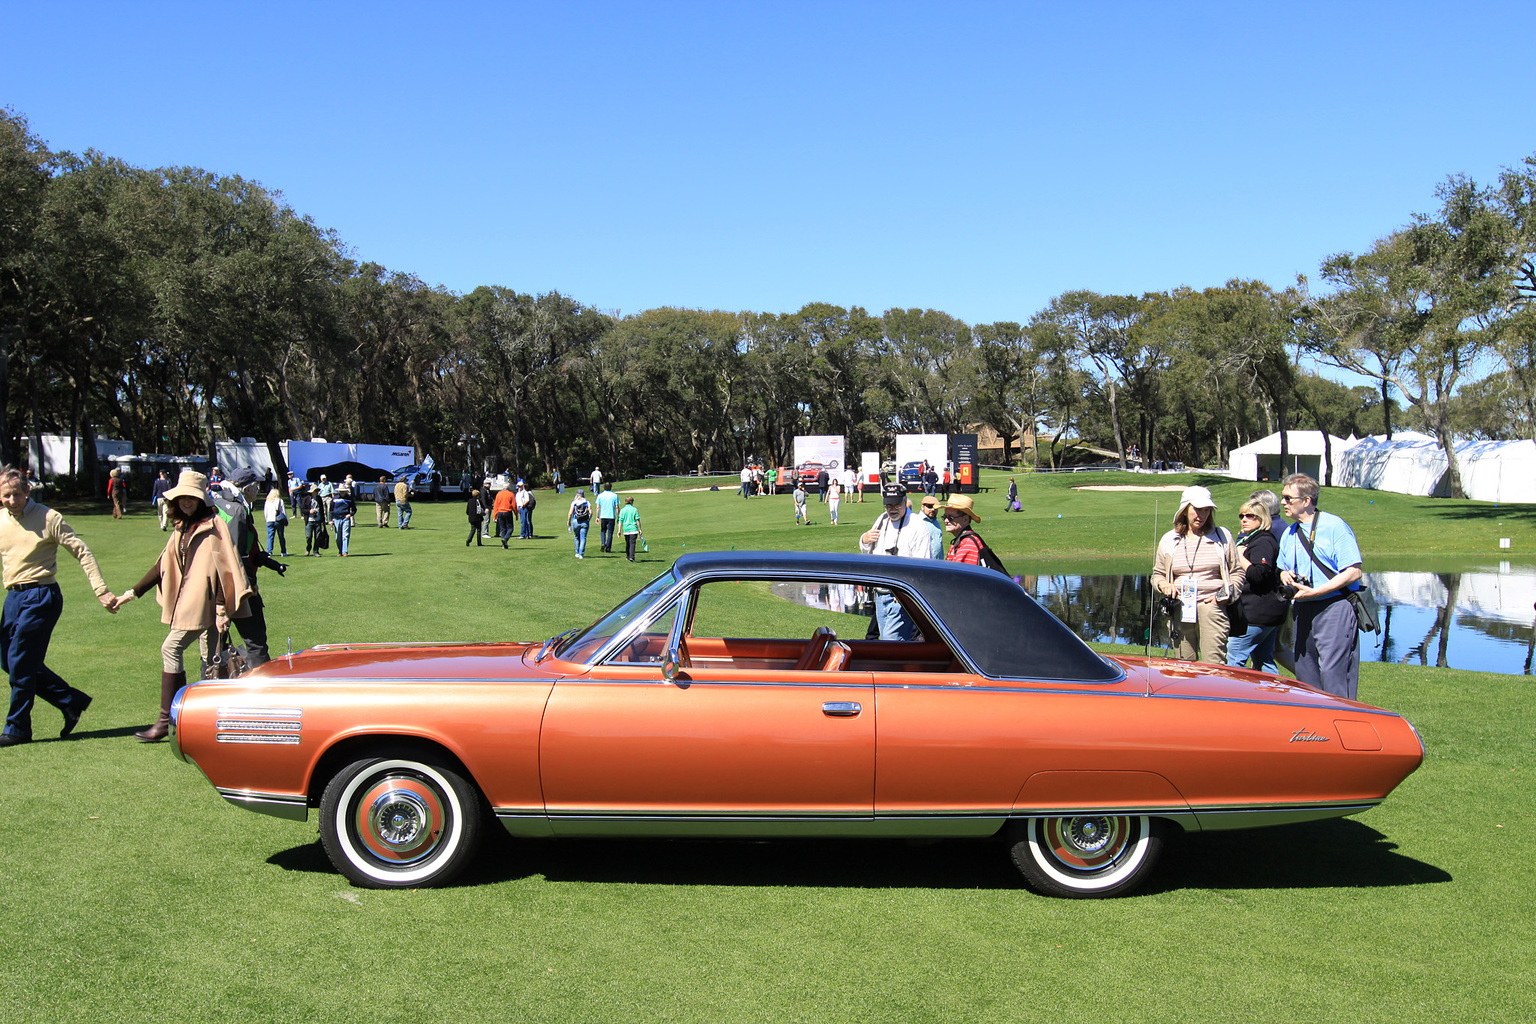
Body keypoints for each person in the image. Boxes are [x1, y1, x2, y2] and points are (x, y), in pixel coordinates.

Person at [113, 470, 252, 742]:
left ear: (200, 499)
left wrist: (222, 609)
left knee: (172, 647)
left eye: (192, 497)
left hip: (206, 603)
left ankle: (167, 719)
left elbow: (225, 568)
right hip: (192, 601)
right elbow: (161, 566)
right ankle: (210, 720)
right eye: (182, 497)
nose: (187, 501)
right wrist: (132, 593)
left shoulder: (213, 525)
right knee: (210, 658)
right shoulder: (181, 527)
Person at [0, 466, 114, 747]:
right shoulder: (2, 519)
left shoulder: (49, 517)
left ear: (28, 491)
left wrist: (101, 590)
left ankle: (17, 728)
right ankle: (70, 701)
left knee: (21, 662)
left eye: (16, 494)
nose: (12, 500)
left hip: (41, 596)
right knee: (8, 660)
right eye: (6, 495)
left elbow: (81, 551)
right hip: (13, 598)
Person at [1277, 473, 1365, 699]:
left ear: (1306, 501)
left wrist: (1317, 591)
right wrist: (1285, 575)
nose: (1283, 502)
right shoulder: (1290, 532)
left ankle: (1343, 725)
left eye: (1289, 498)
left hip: (1334, 606)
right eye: (1283, 497)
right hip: (1302, 607)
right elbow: (1282, 567)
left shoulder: (1334, 526)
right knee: (1306, 673)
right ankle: (1314, 727)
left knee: (1333, 673)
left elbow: (1354, 570)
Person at [1152, 485, 1245, 665]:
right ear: (1185, 510)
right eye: (1197, 510)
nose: (1201, 516)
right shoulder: (1169, 539)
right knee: (1184, 666)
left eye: (1206, 510)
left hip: (1212, 606)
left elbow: (1237, 573)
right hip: (1180, 607)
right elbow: (1157, 574)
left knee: (1214, 665)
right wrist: (1164, 585)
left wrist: (1224, 595)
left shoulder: (1221, 536)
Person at [208, 467, 287, 666]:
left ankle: (210, 686)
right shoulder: (237, 510)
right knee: (256, 642)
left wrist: (270, 563)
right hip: (237, 586)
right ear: (247, 488)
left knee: (214, 644)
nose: (259, 489)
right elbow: (236, 554)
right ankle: (263, 688)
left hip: (213, 585)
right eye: (256, 486)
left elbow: (246, 550)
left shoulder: (218, 503)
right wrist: (250, 585)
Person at [859, 483, 941, 640]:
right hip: (880, 594)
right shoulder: (882, 519)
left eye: (896, 504)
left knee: (892, 641)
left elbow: (922, 564)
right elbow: (868, 550)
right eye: (889, 505)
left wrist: (906, 591)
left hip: (900, 597)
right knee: (888, 643)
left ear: (905, 501)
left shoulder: (917, 526)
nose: (892, 509)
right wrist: (864, 539)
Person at [1227, 497, 1287, 674]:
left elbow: (1259, 575)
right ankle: (1272, 698)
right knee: (1264, 659)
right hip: (1267, 612)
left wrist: (1240, 558)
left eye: (1250, 516)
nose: (1244, 519)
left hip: (1256, 614)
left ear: (1262, 519)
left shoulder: (1263, 542)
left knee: (1234, 659)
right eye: (1241, 516)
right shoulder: (1252, 539)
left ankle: (1233, 699)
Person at [940, 494, 991, 565]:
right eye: (944, 517)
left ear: (965, 519)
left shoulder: (968, 544)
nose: (946, 521)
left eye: (950, 518)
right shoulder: (961, 541)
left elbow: (962, 574)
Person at [301, 484, 327, 555]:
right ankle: (308, 548)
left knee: (317, 536)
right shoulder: (307, 498)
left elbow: (322, 509)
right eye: (315, 491)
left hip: (318, 520)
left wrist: (323, 520)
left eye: (317, 490)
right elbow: (302, 509)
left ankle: (316, 551)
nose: (316, 492)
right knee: (308, 536)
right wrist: (309, 511)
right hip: (309, 520)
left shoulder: (319, 498)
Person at [263, 486, 289, 556]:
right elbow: (283, 512)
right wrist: (286, 520)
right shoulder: (279, 500)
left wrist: (267, 519)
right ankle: (283, 551)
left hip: (269, 520)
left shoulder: (267, 501)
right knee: (281, 536)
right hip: (278, 520)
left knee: (270, 536)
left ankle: (269, 551)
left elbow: (265, 512)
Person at [595, 483, 620, 553]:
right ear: (611, 487)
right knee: (610, 532)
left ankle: (603, 542)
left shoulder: (600, 495)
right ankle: (608, 548)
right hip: (611, 516)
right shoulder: (614, 495)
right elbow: (617, 507)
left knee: (603, 530)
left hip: (603, 516)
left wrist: (597, 517)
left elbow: (597, 507)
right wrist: (619, 516)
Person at [331, 486, 355, 556]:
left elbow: (354, 509)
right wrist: (330, 519)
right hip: (336, 518)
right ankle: (340, 551)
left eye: (343, 491)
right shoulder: (335, 498)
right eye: (340, 491)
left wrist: (350, 514)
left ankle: (345, 551)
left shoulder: (349, 498)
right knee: (337, 536)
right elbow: (331, 510)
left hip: (345, 518)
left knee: (345, 535)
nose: (342, 492)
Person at [568, 488, 592, 559]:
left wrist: (569, 522)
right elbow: (591, 512)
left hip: (575, 521)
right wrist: (588, 519)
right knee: (583, 537)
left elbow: (570, 513)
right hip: (585, 521)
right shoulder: (587, 502)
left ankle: (577, 552)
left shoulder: (574, 502)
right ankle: (581, 553)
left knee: (576, 537)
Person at [492, 483, 517, 548]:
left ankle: (503, 543)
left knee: (502, 529)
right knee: (510, 528)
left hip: (500, 512)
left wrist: (494, 516)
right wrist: (516, 514)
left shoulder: (499, 494)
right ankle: (505, 539)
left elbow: (496, 505)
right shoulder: (511, 494)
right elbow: (514, 505)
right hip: (507, 511)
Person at [618, 497, 642, 561]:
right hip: (633, 529)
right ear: (631, 502)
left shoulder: (622, 510)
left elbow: (620, 520)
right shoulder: (634, 509)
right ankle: (631, 556)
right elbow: (637, 520)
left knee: (627, 543)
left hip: (626, 529)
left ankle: (628, 555)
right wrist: (640, 529)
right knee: (632, 543)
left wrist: (619, 530)